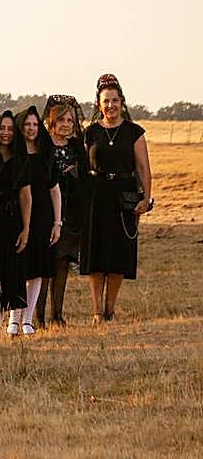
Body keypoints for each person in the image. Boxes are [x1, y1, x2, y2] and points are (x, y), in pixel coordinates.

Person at [80, 74, 152, 323]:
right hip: (95, 197)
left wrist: (146, 198)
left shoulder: (135, 132)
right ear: (98, 104)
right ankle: (97, 311)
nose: (110, 105)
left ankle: (110, 308)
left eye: (114, 100)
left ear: (122, 102)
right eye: (105, 101)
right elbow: (82, 166)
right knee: (96, 255)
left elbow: (143, 168)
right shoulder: (90, 133)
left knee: (118, 255)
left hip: (123, 197)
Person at [37, 97, 87, 326]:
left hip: (72, 211)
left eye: (70, 120)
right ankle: (38, 317)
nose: (66, 124)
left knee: (63, 263)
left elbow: (87, 176)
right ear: (52, 121)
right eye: (62, 120)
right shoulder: (42, 145)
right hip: (46, 211)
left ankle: (57, 314)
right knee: (44, 266)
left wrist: (76, 173)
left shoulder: (77, 146)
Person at [17, 106, 62, 333]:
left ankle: (27, 318)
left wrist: (57, 222)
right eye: (27, 124)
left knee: (37, 268)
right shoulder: (13, 152)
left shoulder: (46, 152)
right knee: (19, 267)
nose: (31, 128)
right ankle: (14, 318)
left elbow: (55, 189)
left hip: (43, 216)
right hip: (18, 215)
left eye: (35, 124)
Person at [0, 110, 32, 336]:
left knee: (13, 268)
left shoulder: (20, 158)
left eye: (10, 129)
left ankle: (12, 318)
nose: (5, 133)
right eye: (2, 129)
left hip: (13, 218)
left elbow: (26, 195)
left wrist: (26, 228)